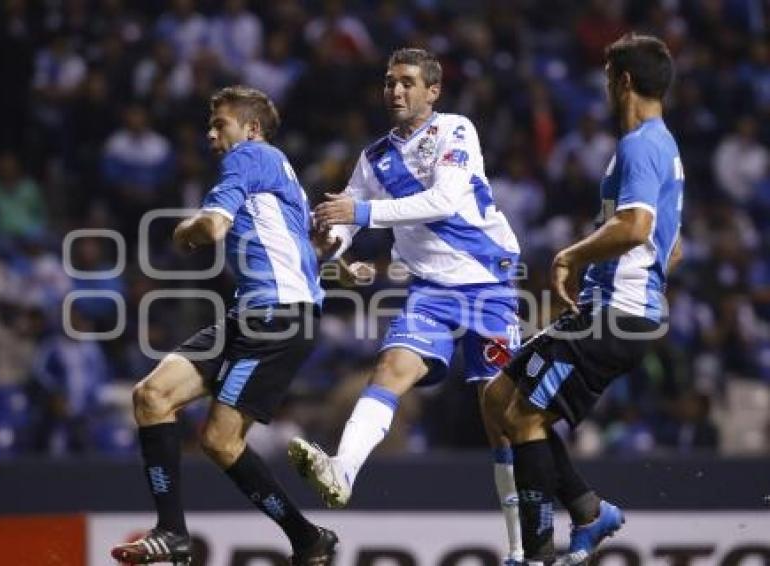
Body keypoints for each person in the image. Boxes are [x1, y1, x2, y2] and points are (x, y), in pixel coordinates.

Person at [287, 48, 527, 564]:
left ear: (432, 91)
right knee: (390, 367)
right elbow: (346, 220)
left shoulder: (455, 131)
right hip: (430, 290)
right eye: (390, 82)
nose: (396, 91)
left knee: (500, 416)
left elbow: (441, 201)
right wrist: (334, 246)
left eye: (408, 82)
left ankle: (520, 546)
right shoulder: (374, 157)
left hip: (487, 280)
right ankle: (342, 471)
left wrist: (362, 213)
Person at [111, 86, 337, 565]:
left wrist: (183, 231)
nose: (212, 135)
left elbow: (212, 227)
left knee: (218, 440)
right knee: (151, 397)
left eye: (221, 125)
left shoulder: (249, 156)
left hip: (278, 316)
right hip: (253, 312)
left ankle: (307, 539)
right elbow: (308, 249)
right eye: (211, 126)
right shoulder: (280, 173)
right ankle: (172, 533)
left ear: (250, 129)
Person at [481, 34, 683, 565]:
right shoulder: (663, 145)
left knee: (524, 416)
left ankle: (538, 554)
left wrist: (573, 256)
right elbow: (671, 243)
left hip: (618, 314)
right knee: (498, 396)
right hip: (618, 309)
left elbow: (637, 226)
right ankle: (588, 510)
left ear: (624, 82)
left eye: (607, 79)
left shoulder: (641, 144)